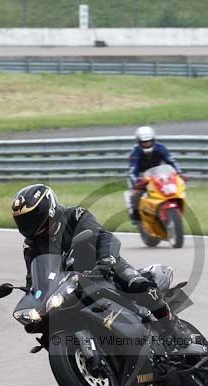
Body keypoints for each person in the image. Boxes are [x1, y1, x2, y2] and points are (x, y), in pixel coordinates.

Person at [10, 183, 182, 344]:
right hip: (70, 286)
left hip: (104, 267)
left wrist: (106, 261)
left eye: (33, 217)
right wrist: (33, 300)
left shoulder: (75, 215)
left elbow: (104, 237)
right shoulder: (31, 245)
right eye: (23, 221)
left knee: (140, 286)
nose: (28, 225)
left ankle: (173, 331)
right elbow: (34, 277)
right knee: (49, 327)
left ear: (48, 208)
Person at [127, 126, 185, 224]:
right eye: (144, 142)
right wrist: (137, 181)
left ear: (153, 140)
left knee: (170, 188)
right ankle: (136, 216)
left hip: (158, 174)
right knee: (136, 194)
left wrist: (179, 173)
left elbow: (171, 161)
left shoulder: (160, 148)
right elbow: (133, 170)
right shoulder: (135, 152)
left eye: (149, 141)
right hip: (141, 176)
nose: (147, 144)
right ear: (139, 142)